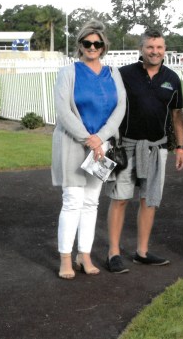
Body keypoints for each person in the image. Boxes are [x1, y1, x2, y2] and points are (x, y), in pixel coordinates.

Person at [105, 28, 183, 274]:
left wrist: (180, 147)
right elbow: (108, 106)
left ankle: (142, 252)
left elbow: (177, 114)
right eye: (150, 47)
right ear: (141, 49)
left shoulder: (172, 78)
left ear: (165, 50)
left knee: (149, 200)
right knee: (120, 199)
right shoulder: (124, 74)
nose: (155, 51)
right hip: (126, 146)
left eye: (159, 47)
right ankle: (113, 253)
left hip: (156, 148)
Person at [51, 20, 126, 279]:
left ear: (104, 46)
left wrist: (100, 139)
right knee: (72, 200)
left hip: (101, 146)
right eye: (87, 43)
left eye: (97, 43)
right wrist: (88, 138)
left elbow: (120, 108)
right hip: (73, 143)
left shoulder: (113, 73)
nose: (92, 47)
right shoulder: (68, 72)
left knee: (91, 202)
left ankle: (84, 255)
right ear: (80, 45)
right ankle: (65, 258)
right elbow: (63, 111)